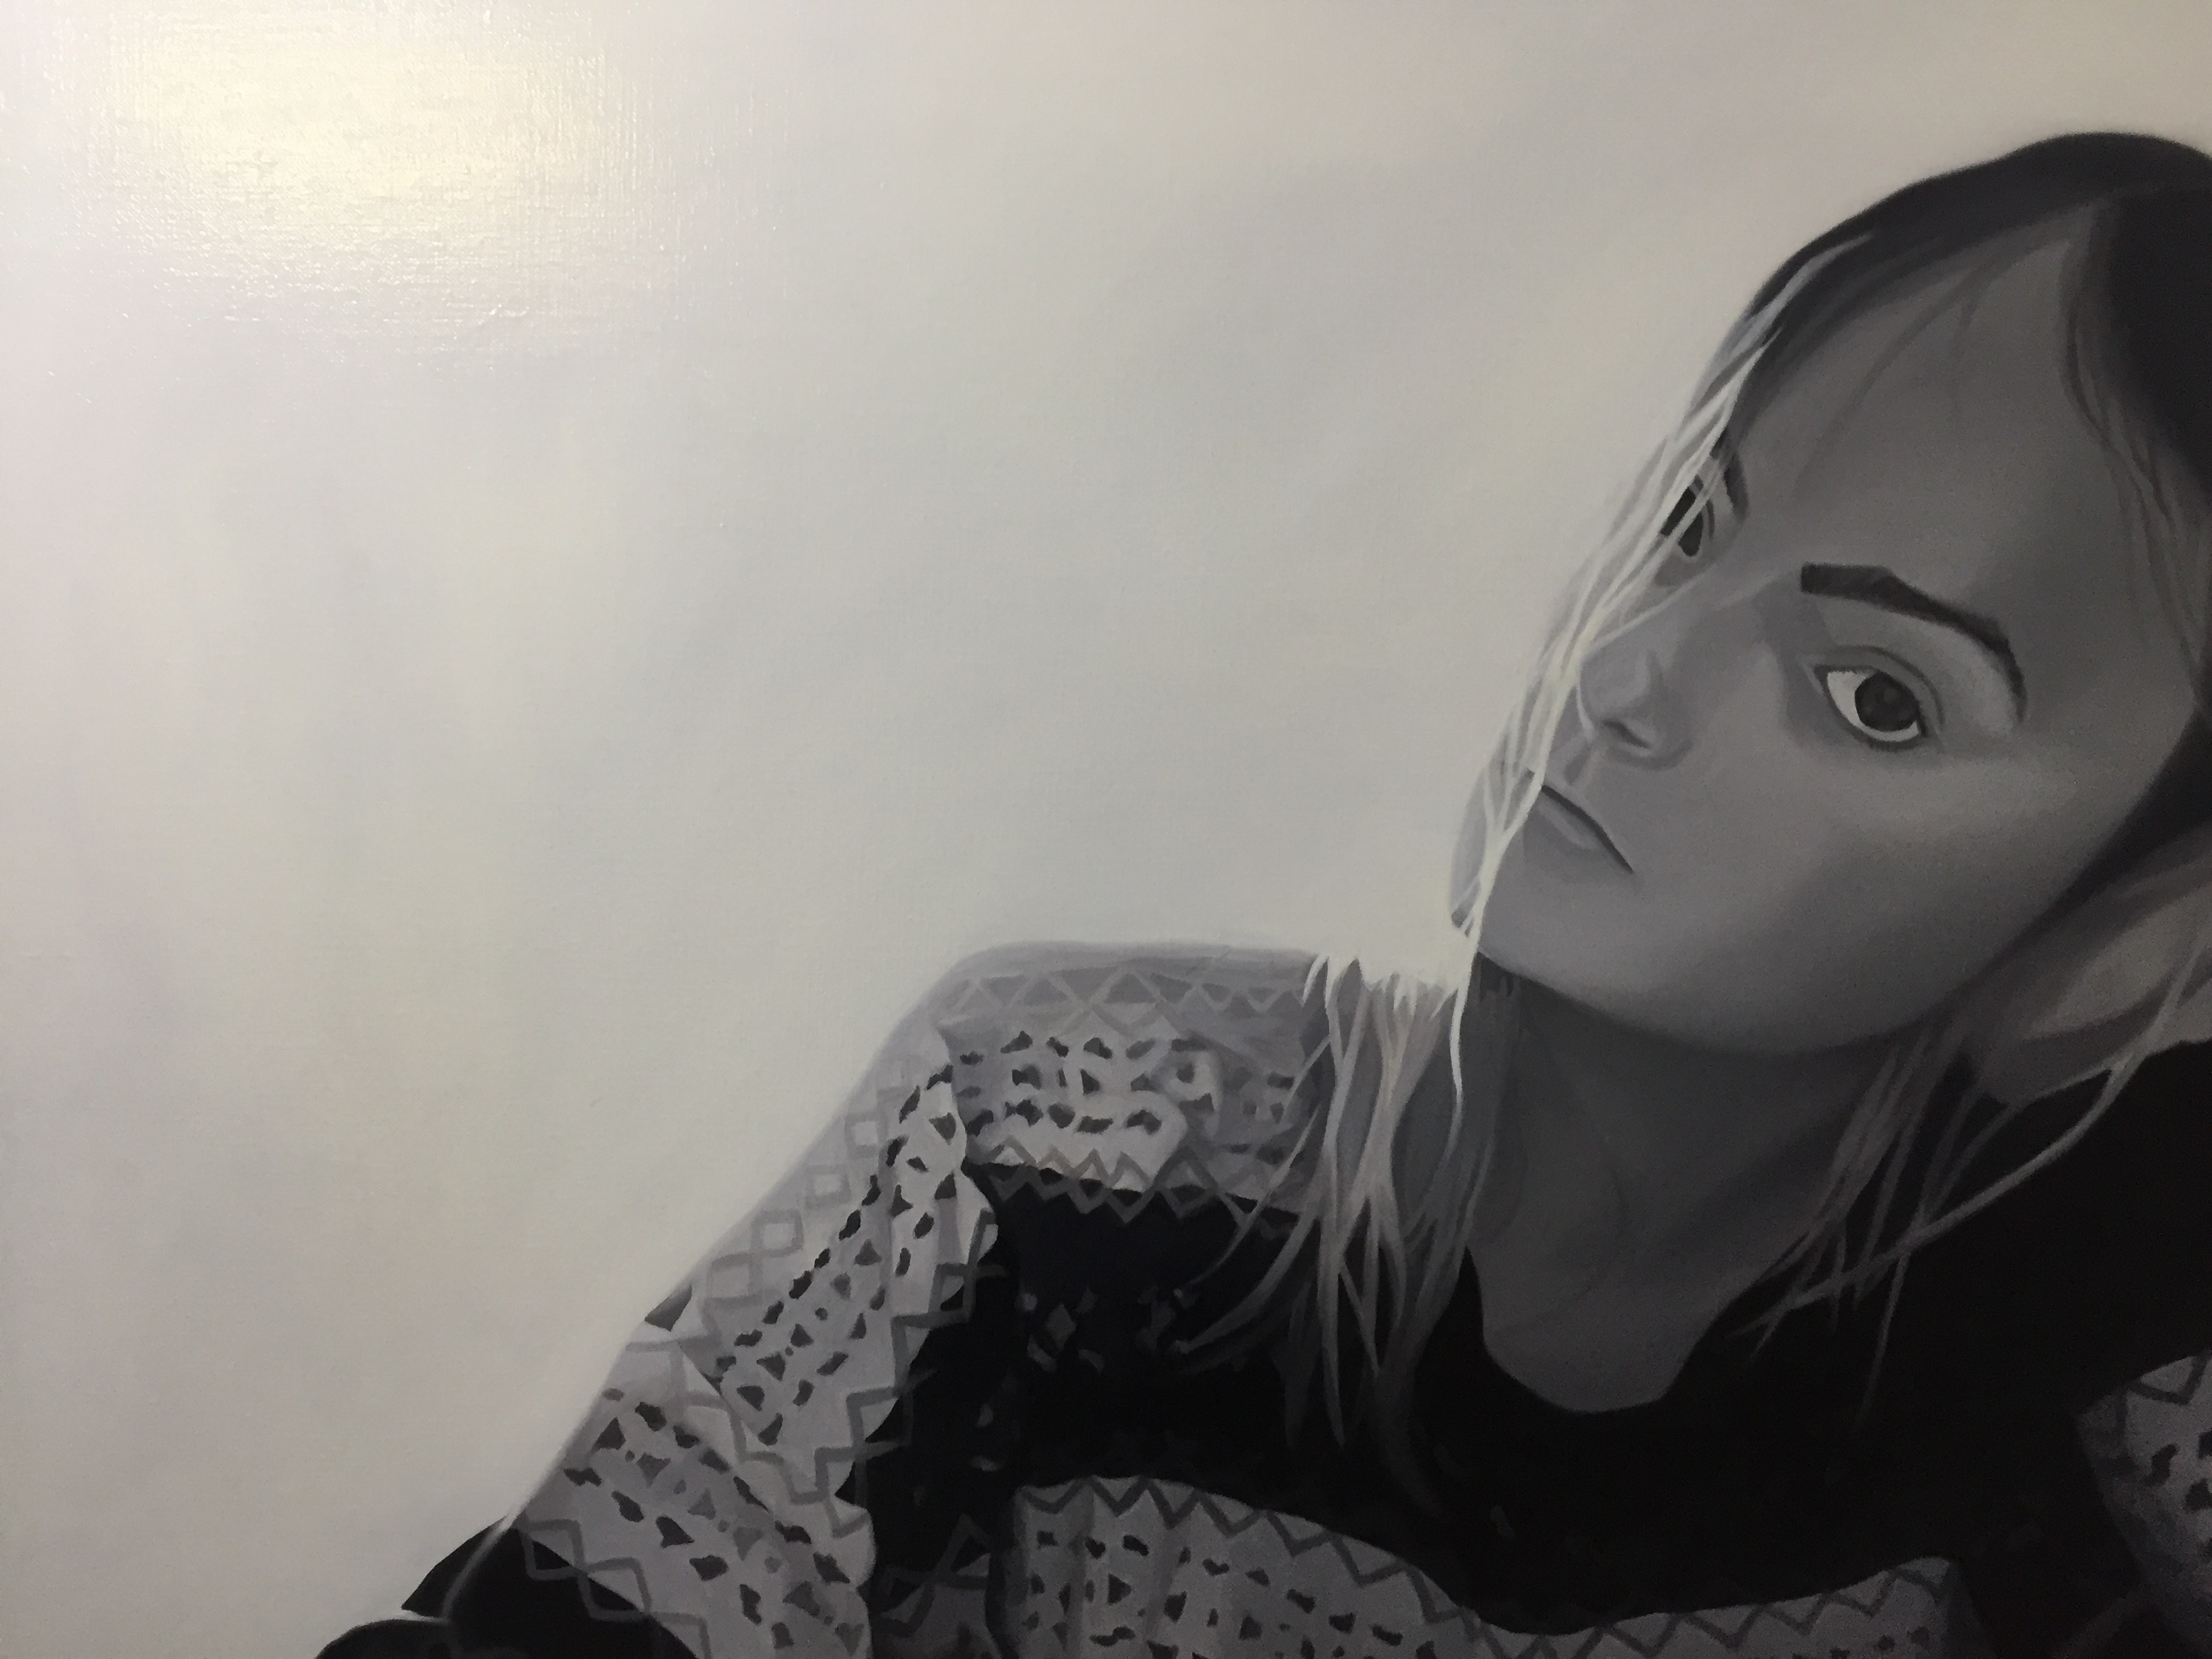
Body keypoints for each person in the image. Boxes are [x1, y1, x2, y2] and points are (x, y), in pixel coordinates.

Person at [323, 133, 2212, 1659]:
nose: (1629, 675)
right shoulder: (1065, 1132)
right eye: (1690, 524)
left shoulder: (2082, 1362)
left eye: (1875, 695)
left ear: (2130, 946)